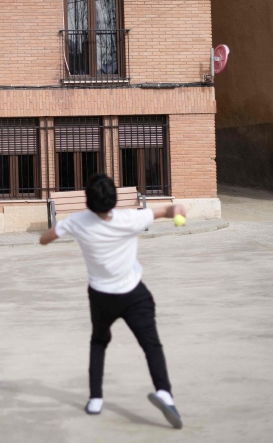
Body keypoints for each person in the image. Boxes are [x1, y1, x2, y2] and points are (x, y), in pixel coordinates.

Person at [39, 173, 185, 429]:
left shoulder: (77, 222)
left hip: (101, 296)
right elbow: (168, 209)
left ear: (88, 201)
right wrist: (179, 210)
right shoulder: (130, 218)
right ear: (114, 200)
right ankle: (164, 393)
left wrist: (56, 233)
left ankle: (95, 399)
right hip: (134, 294)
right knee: (151, 344)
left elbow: (45, 238)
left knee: (99, 342)